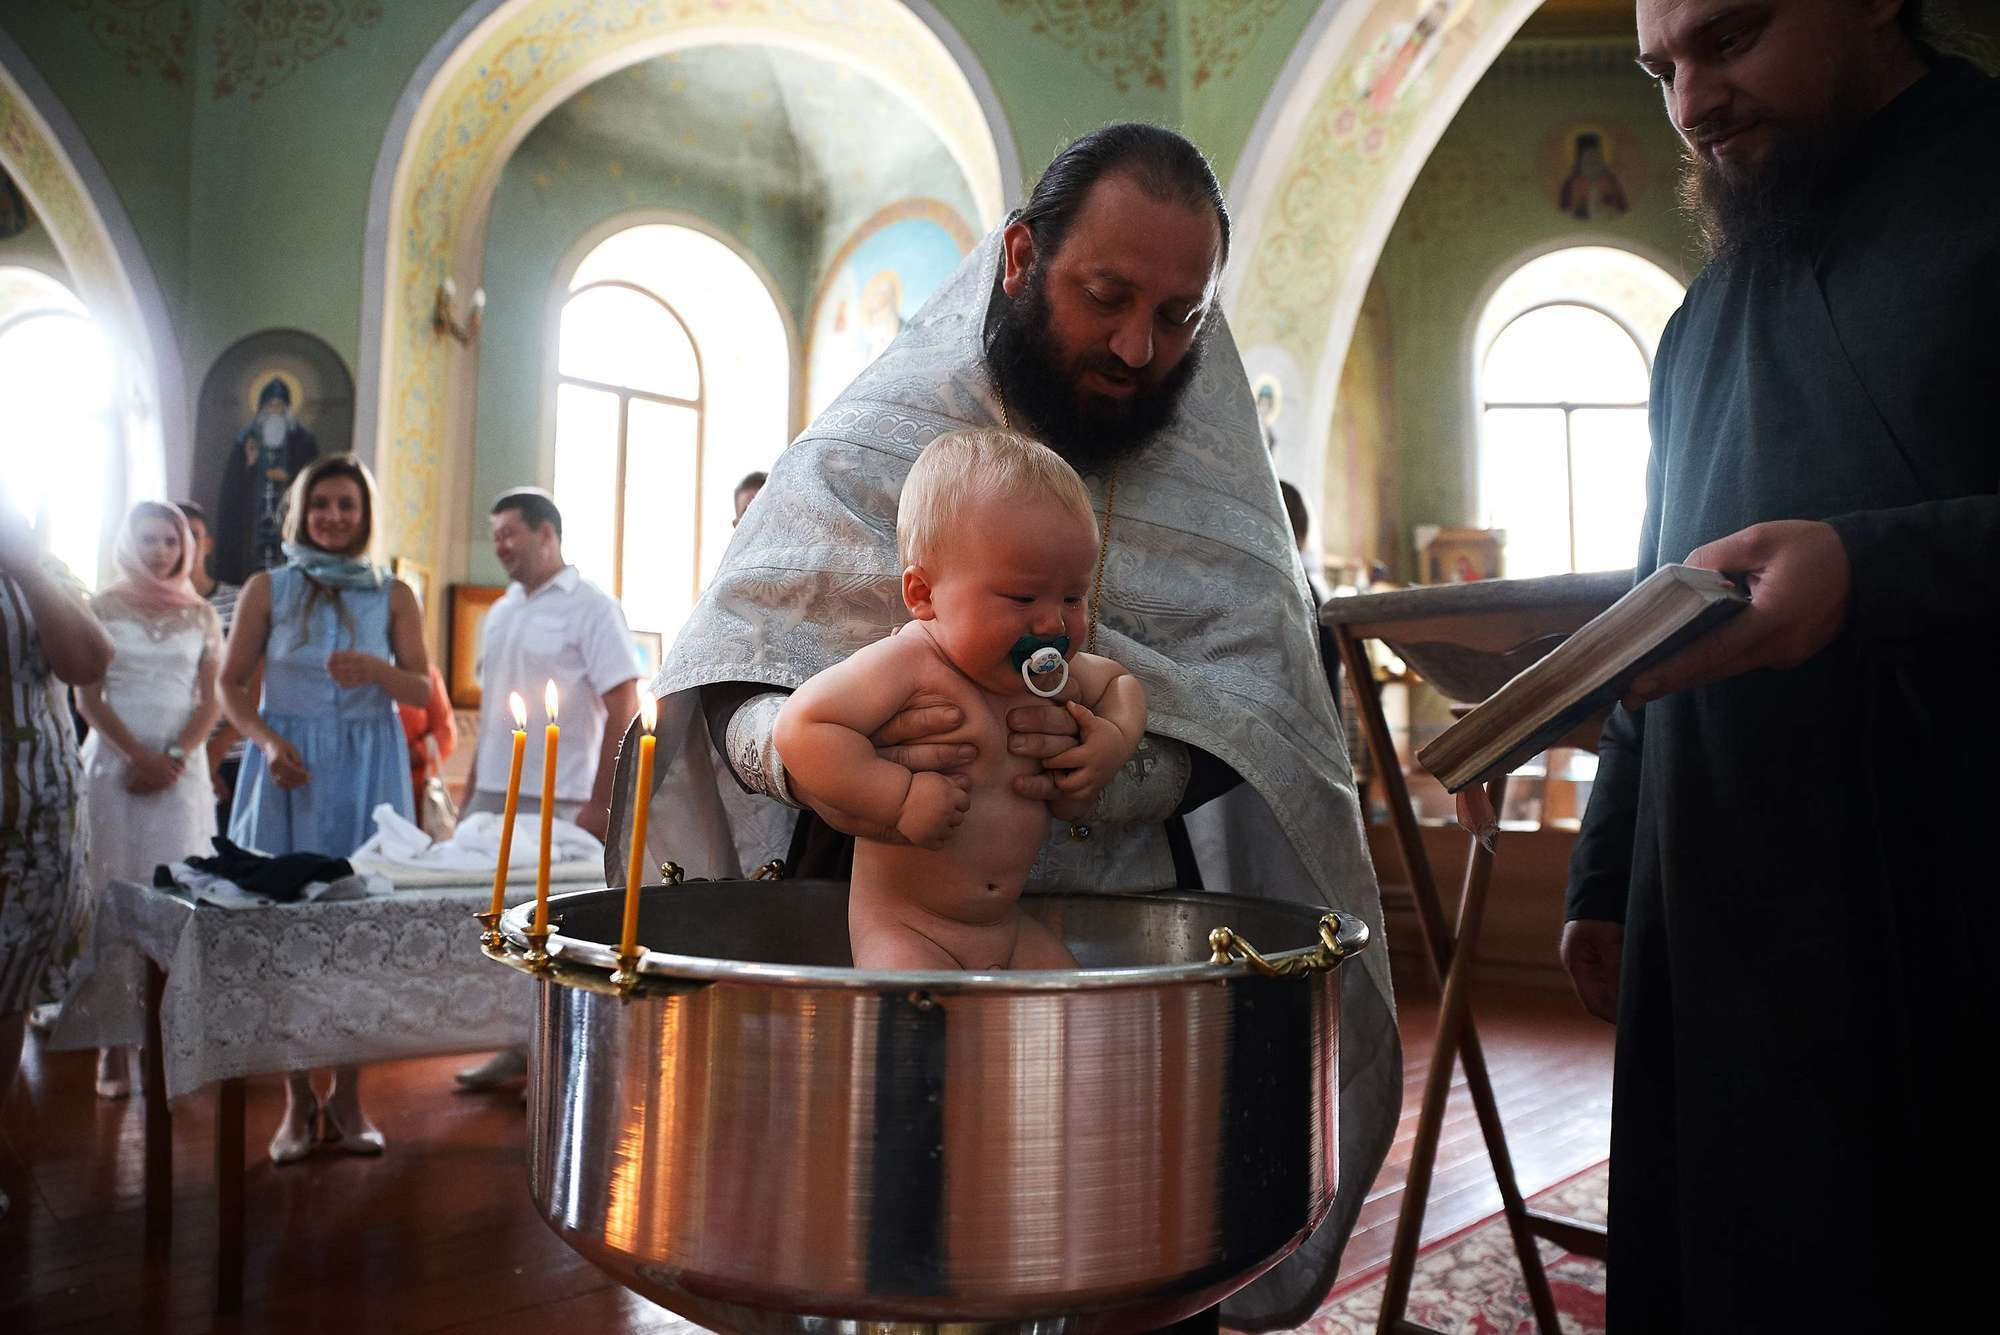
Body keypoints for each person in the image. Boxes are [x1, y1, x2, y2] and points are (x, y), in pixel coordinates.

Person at [603, 123, 1394, 1329]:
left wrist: (1122, 768)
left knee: (1131, 1247)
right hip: (892, 927)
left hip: (1133, 953)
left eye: (1181, 316)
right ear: (1021, 257)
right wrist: (815, 759)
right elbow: (735, 669)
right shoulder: (878, 438)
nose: (1139, 347)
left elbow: (1265, 712)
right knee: (906, 1252)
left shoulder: (1217, 473)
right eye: (1107, 295)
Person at [1563, 4, 1998, 1329]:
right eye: (1663, 70)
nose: (1693, 99)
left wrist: (1872, 571)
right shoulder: (1700, 322)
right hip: (1722, 933)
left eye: (1730, 39)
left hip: (1953, 928)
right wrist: (1602, 866)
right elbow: (1662, 594)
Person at [776, 429, 1144, 970]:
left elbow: (1122, 687)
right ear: (923, 595)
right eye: (1022, 597)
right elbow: (801, 728)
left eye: (1073, 596)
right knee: (916, 1028)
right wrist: (897, 797)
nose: (1052, 622)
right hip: (908, 930)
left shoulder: (1048, 674)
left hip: (1007, 928)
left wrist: (1109, 742)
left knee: (1071, 1009)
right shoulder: (906, 665)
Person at [219, 453, 430, 1163]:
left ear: (365, 515)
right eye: (322, 505)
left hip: (369, 768)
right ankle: (294, 1102)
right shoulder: (267, 586)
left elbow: (422, 692)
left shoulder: (393, 591)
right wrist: (268, 740)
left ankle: (348, 1094)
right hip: (290, 770)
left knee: (359, 931)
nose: (335, 517)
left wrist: (376, 671)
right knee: (287, 935)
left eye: (348, 505)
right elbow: (229, 684)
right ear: (302, 512)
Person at [453, 488, 637, 1093]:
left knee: (553, 932)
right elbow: (495, 712)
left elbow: (623, 703)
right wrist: (474, 788)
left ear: (547, 534)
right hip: (495, 795)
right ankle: (508, 1045)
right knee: (496, 927)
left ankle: (554, 1059)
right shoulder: (502, 611)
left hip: (565, 796)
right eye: (495, 533)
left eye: (510, 533)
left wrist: (602, 796)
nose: (500, 544)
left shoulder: (591, 607)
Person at [75, 503, 224, 1099]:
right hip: (114, 766)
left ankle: (170, 1041)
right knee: (112, 893)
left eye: (172, 539)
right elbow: (88, 700)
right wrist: (137, 756)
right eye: (149, 539)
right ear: (126, 541)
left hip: (180, 775)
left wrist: (177, 758)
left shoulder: (204, 614)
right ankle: (110, 1045)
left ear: (187, 547)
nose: (162, 550)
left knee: (175, 900)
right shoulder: (99, 607)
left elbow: (211, 702)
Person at [0, 505, 114, 1221]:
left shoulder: (39, 570)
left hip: (30, 824)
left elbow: (89, 662)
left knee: (5, 991)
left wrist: (27, 564)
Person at [177, 501, 245, 827]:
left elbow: (252, 683)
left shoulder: (239, 600)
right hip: (172, 753)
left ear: (207, 543)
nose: (185, 544)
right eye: (176, 535)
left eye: (193, 534)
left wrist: (215, 753)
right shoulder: (142, 607)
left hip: (231, 755)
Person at [214, 377, 317, 584]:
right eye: (270, 405)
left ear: (288, 408)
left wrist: (289, 478)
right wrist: (250, 466)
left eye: (279, 405)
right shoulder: (247, 438)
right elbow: (233, 485)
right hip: (253, 518)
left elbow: (313, 477)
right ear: (261, 408)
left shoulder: (302, 440)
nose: (274, 410)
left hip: (289, 515)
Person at [398, 664, 456, 834]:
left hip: (417, 794)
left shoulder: (426, 674)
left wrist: (412, 754)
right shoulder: (354, 671)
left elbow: (446, 735)